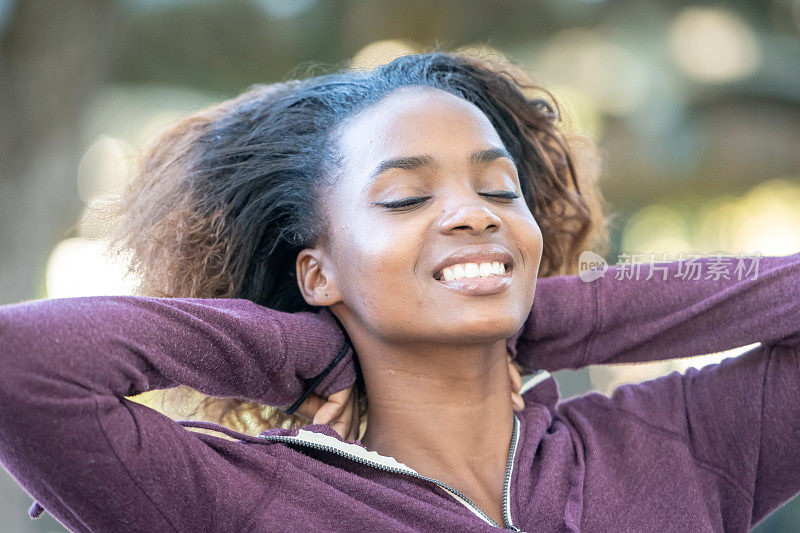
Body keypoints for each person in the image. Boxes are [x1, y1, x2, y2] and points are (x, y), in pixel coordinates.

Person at [0, 51, 798, 532]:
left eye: (499, 191)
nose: (472, 216)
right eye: (406, 199)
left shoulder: (675, 445)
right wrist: (306, 351)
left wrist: (559, 306)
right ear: (318, 271)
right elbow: (23, 363)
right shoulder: (241, 499)